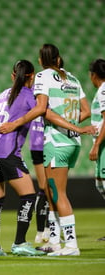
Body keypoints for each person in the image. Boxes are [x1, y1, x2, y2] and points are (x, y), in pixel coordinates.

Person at [32, 44, 93, 256]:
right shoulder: (73, 79)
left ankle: (71, 245)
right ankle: (56, 241)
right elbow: (85, 110)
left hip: (57, 142)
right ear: (58, 59)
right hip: (73, 142)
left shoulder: (43, 77)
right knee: (51, 193)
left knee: (58, 194)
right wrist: (72, 125)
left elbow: (44, 111)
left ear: (41, 60)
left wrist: (68, 126)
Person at [0, 60, 45, 256]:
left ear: (12, 75)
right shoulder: (29, 96)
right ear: (31, 76)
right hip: (6, 151)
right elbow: (41, 111)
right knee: (28, 195)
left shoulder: (2, 95)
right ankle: (19, 242)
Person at [88, 58, 105, 241]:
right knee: (100, 184)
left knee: (104, 184)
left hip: (104, 145)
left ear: (93, 75)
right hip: (102, 145)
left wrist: (96, 144)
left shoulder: (103, 90)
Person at [29, 117, 50, 244]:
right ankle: (45, 230)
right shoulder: (48, 100)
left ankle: (42, 232)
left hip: (36, 144)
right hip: (48, 143)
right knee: (48, 188)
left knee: (45, 188)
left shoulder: (30, 99)